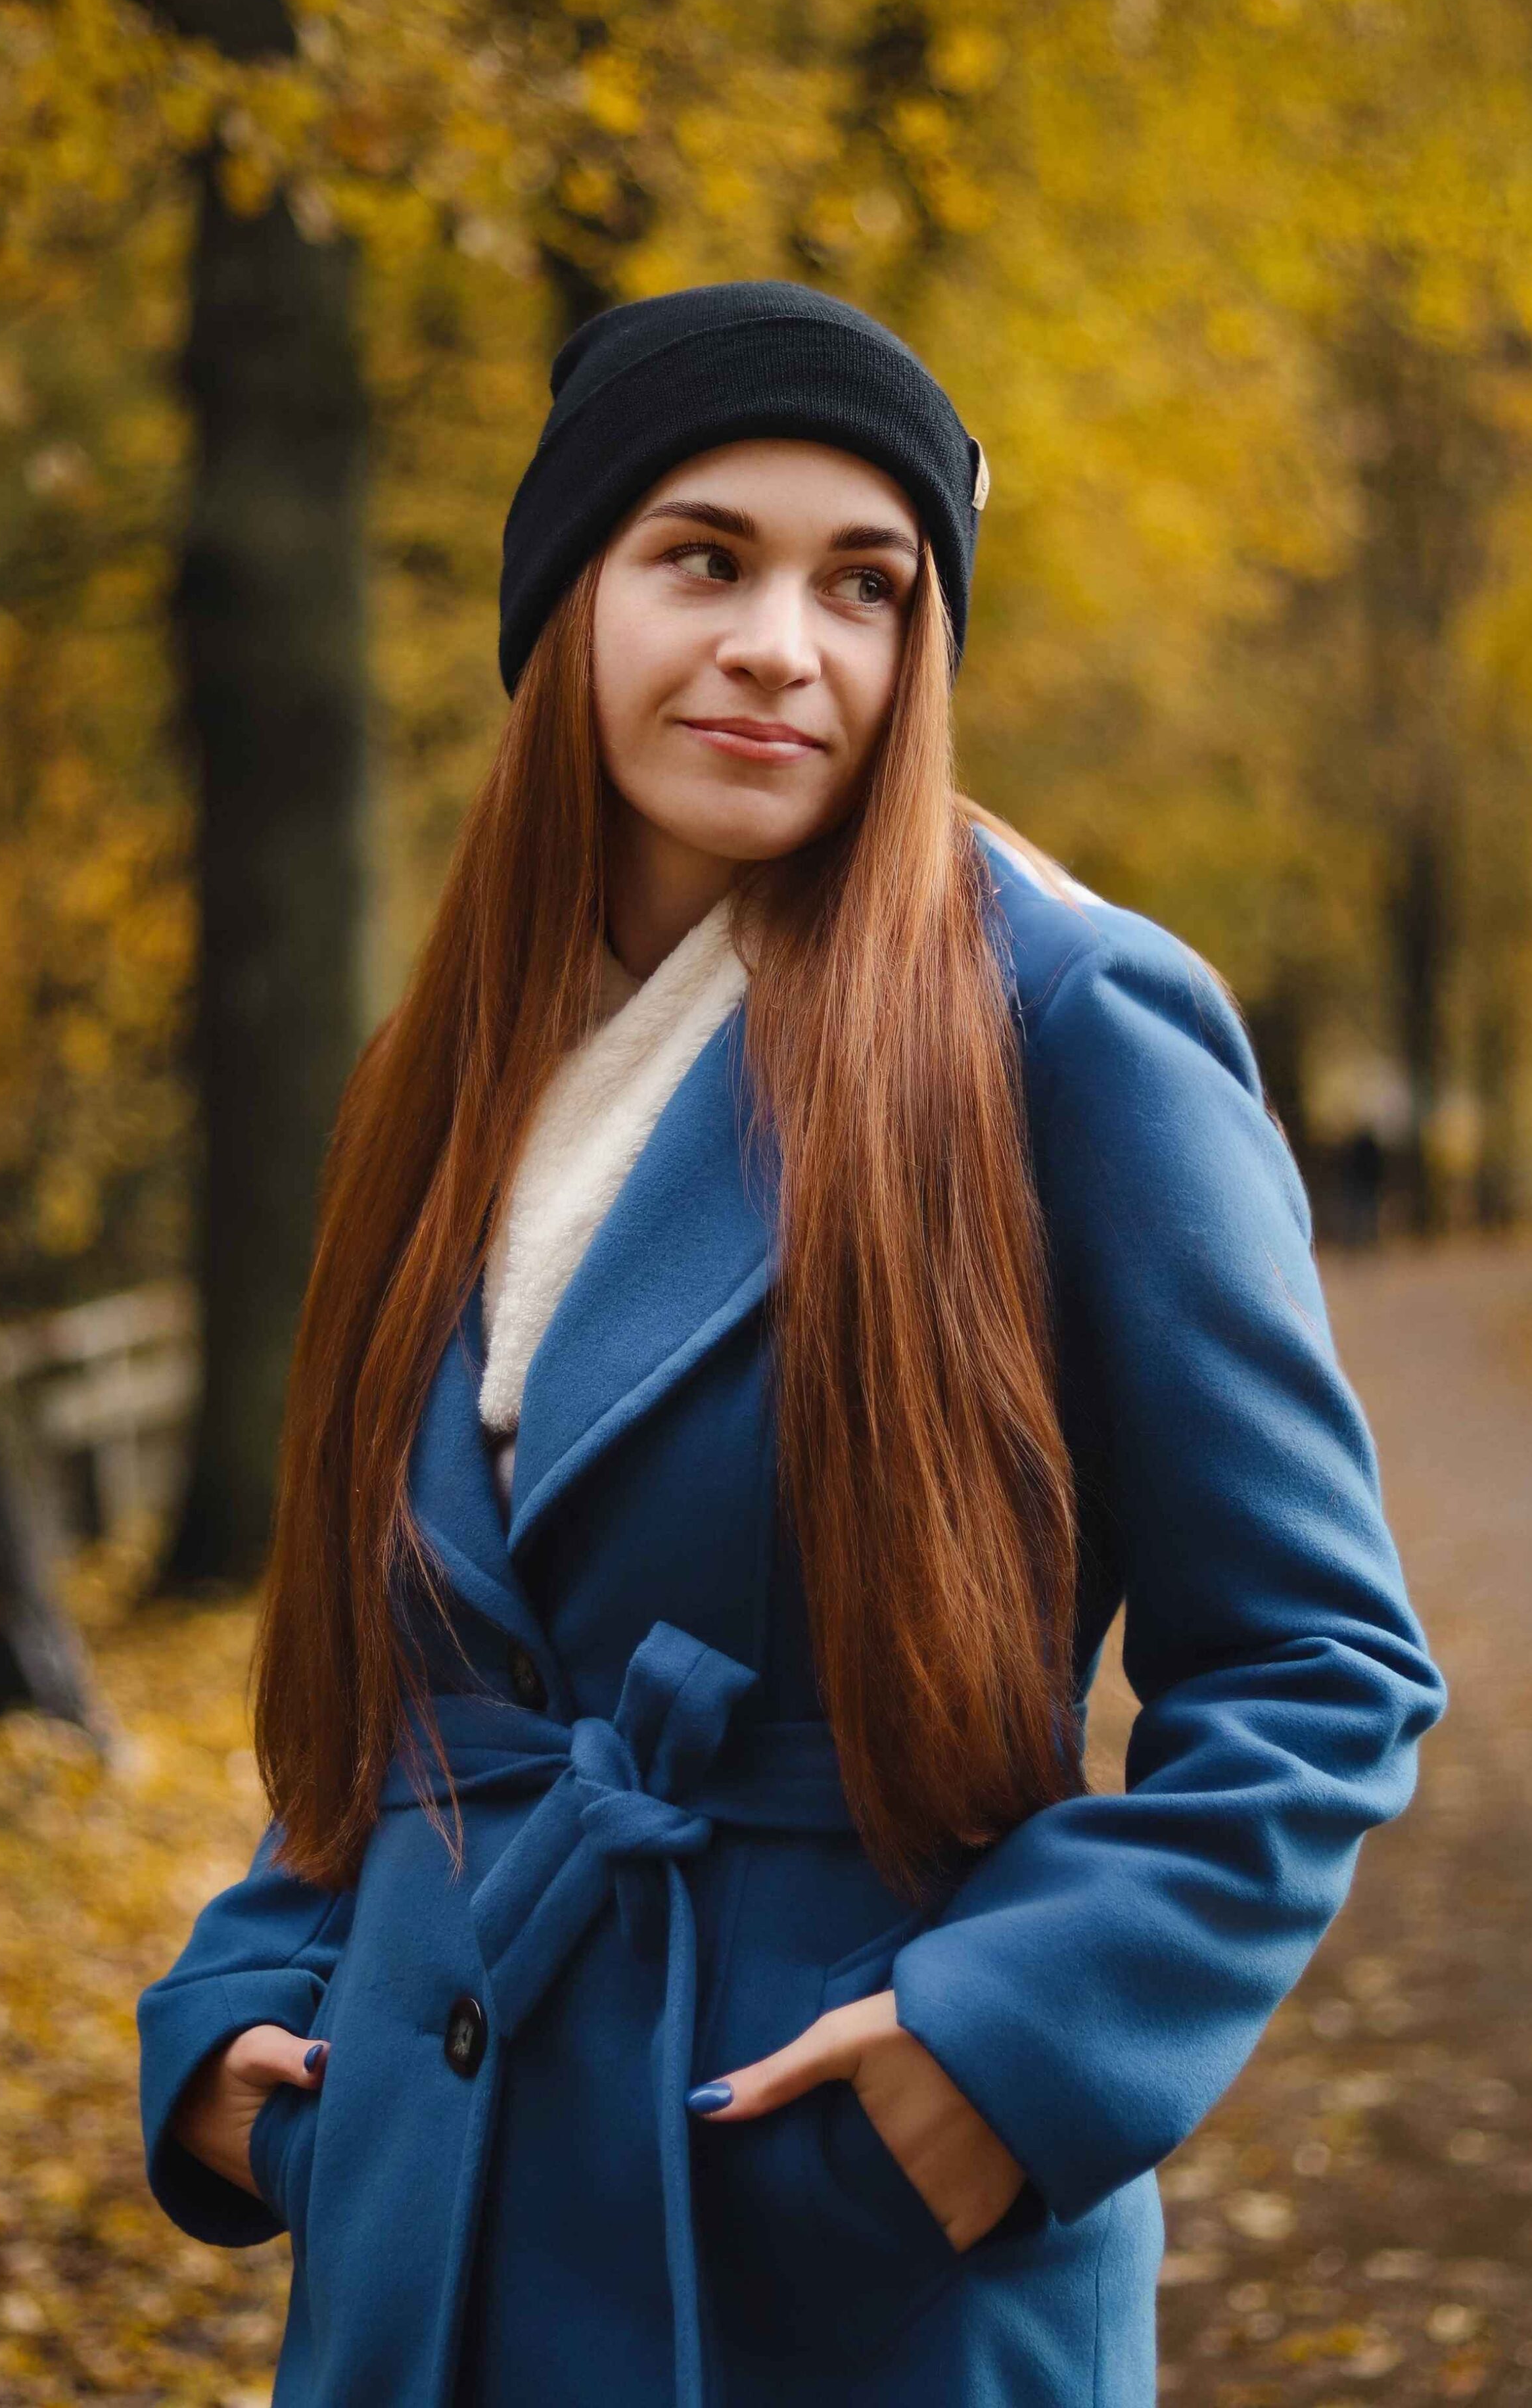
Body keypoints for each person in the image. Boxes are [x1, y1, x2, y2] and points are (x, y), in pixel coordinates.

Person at [137, 279, 1447, 2407]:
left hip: (824, 2230)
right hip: (431, 2219)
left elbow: (1319, 1666)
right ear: (565, 600)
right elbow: (414, 1680)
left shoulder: (1061, 1019)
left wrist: (1003, 2053)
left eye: (867, 585)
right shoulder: (439, 1071)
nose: (782, 646)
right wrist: (241, 2008)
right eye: (703, 559)